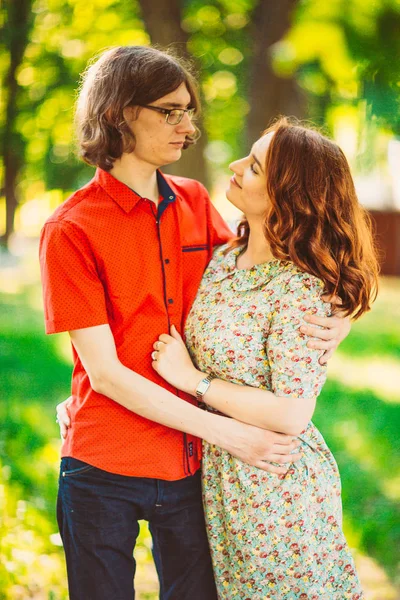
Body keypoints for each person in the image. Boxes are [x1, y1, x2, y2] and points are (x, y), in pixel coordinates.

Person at [41, 46, 350, 600]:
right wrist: (227, 431)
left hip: (191, 469)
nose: (189, 127)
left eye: (190, 111)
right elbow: (106, 373)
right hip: (105, 462)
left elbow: (285, 257)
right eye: (170, 111)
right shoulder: (70, 228)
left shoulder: (195, 201)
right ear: (118, 114)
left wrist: (341, 317)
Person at [150, 118, 379, 600]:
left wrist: (194, 381)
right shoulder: (223, 258)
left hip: (275, 489)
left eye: (253, 167)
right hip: (220, 478)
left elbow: (293, 413)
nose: (234, 167)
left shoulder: (299, 288)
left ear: (288, 197)